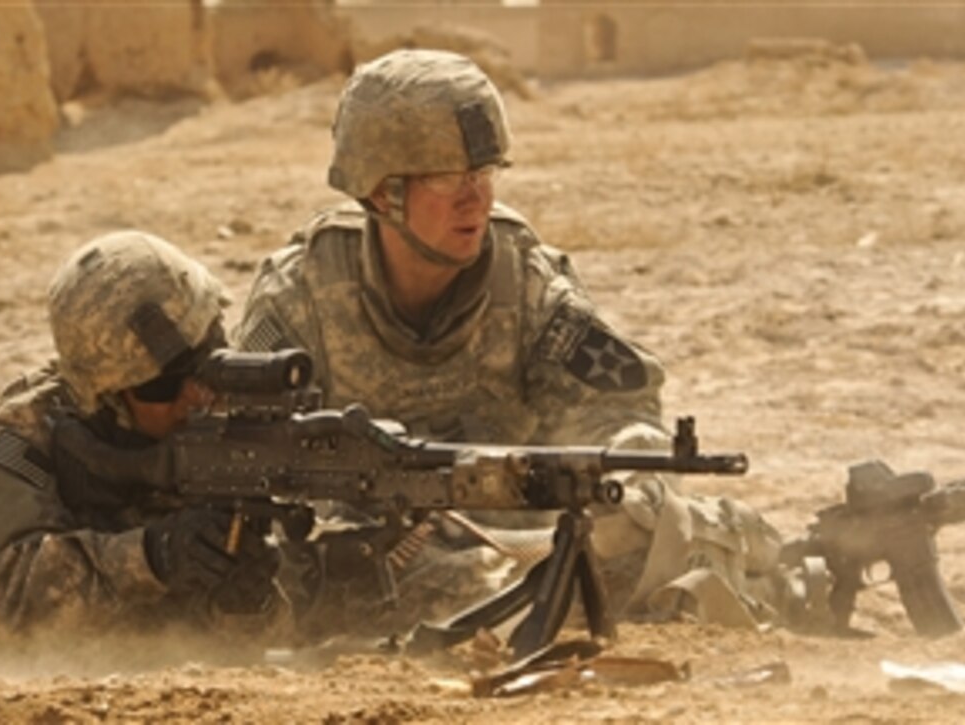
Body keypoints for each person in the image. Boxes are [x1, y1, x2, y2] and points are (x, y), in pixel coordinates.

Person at [234, 49, 788, 633]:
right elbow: (242, 453)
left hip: (527, 537)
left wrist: (623, 478)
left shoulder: (524, 280)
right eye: (448, 178)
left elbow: (614, 410)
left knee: (659, 535)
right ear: (380, 193)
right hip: (360, 555)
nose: (476, 198)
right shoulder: (302, 294)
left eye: (484, 173)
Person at [0, 231, 284, 660]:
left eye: (210, 359)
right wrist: (152, 557)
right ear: (106, 396)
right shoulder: (30, 433)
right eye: (163, 385)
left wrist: (253, 599)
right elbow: (8, 600)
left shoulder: (246, 424)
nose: (197, 395)